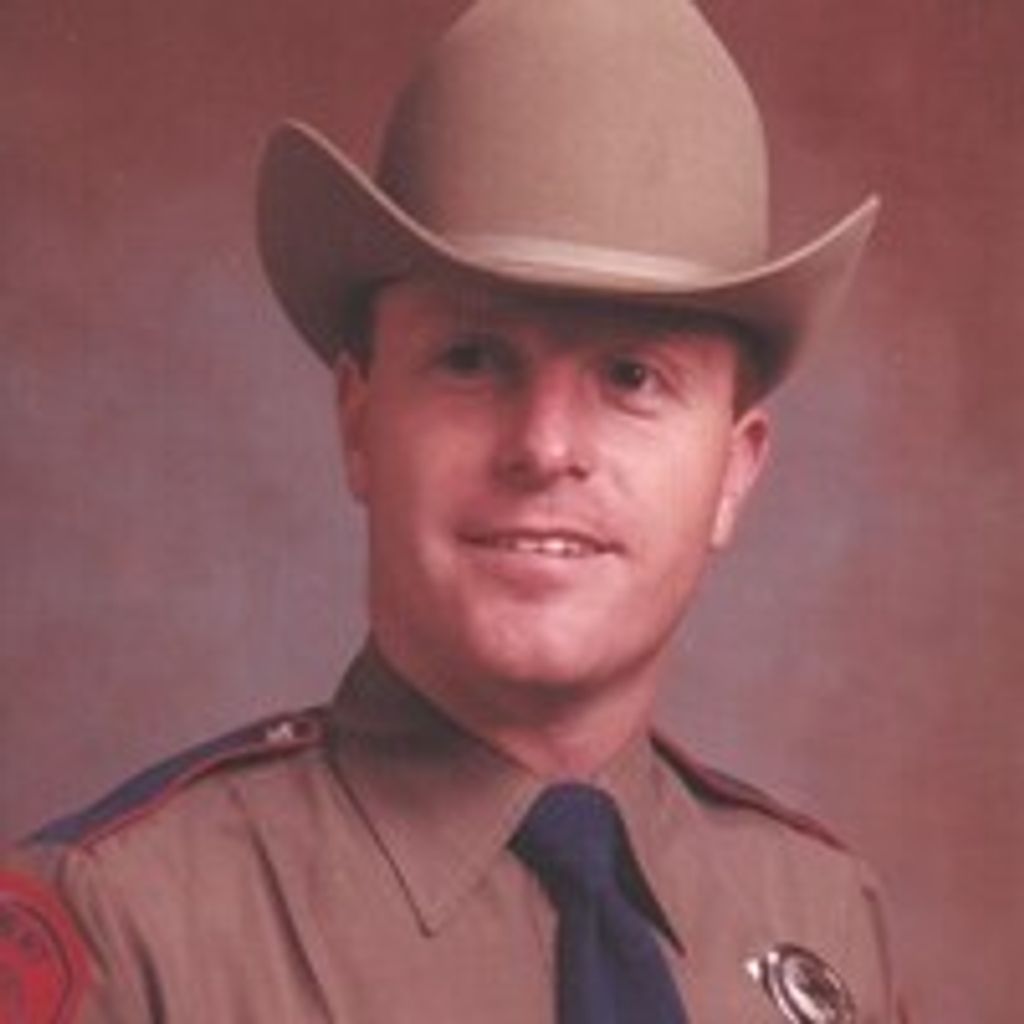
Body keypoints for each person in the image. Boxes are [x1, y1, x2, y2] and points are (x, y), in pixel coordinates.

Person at [0, 0, 905, 1020]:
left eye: (632, 376)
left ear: (735, 472)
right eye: (472, 358)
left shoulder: (822, 917)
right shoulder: (125, 923)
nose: (545, 446)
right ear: (359, 421)